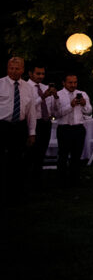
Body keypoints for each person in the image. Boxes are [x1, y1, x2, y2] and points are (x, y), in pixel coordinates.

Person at [1, 57, 38, 200]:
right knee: (3, 161)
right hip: (3, 126)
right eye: (11, 68)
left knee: (18, 161)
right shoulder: (0, 84)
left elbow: (31, 112)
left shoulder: (28, 87)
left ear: (22, 70)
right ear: (7, 68)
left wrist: (32, 133)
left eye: (17, 68)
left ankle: (17, 193)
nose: (14, 71)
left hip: (19, 127)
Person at [53, 73, 92, 186]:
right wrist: (70, 105)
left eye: (75, 82)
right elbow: (56, 113)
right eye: (70, 82)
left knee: (76, 155)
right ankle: (61, 179)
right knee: (63, 155)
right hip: (64, 128)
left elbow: (89, 111)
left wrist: (84, 104)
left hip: (78, 128)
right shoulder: (58, 95)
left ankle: (75, 179)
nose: (73, 85)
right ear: (64, 83)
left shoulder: (82, 94)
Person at [26, 64, 59, 180]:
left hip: (45, 122)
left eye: (43, 74)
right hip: (33, 122)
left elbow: (54, 109)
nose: (41, 76)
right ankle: (28, 177)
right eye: (38, 73)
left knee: (42, 151)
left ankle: (38, 177)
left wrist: (55, 97)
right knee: (31, 152)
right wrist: (43, 97)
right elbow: (28, 107)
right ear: (30, 74)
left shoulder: (45, 87)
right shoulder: (26, 87)